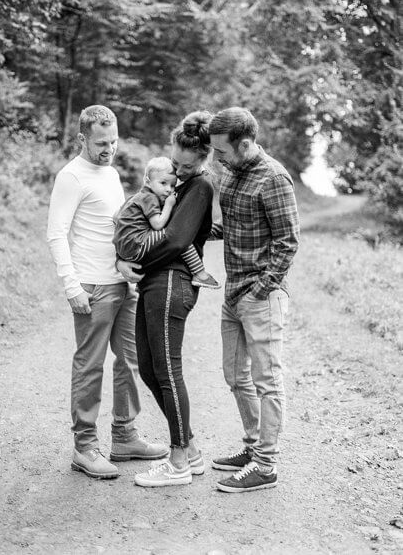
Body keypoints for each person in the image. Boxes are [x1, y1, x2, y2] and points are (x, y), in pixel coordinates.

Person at [46, 104, 169, 480]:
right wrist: (71, 286)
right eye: (101, 142)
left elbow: (115, 230)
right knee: (90, 365)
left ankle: (125, 435)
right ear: (82, 138)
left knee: (131, 360)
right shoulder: (71, 177)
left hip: (121, 283)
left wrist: (126, 264)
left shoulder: (111, 174)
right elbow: (56, 233)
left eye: (113, 141)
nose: (109, 148)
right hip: (91, 288)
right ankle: (84, 447)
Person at [116, 111, 216, 488]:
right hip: (154, 282)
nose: (178, 170)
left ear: (204, 159)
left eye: (186, 165)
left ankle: (178, 462)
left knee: (168, 370)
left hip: (173, 282)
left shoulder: (201, 185)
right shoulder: (177, 184)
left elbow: (175, 240)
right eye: (174, 163)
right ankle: (189, 450)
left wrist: (134, 260)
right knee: (147, 366)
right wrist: (123, 261)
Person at [207, 107, 299, 493]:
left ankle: (266, 464)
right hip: (234, 292)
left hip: (261, 296)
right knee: (235, 376)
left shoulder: (274, 178)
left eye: (222, 151)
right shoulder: (232, 171)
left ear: (245, 144)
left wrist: (262, 288)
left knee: (266, 380)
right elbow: (234, 226)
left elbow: (288, 241)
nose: (216, 158)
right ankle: (252, 447)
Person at [113, 156, 220, 289]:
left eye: (172, 185)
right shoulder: (149, 198)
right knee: (180, 236)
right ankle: (200, 274)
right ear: (147, 181)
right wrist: (169, 204)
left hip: (124, 249)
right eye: (163, 183)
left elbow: (115, 217)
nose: (169, 189)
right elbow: (157, 224)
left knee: (176, 235)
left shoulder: (135, 198)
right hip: (136, 244)